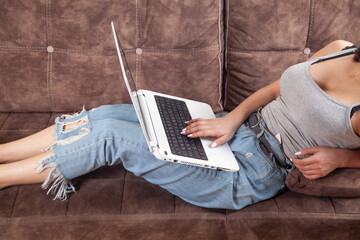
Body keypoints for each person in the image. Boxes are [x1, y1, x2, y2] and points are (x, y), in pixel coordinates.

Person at [0, 40, 359, 210]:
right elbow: (277, 87)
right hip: (235, 128)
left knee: (111, 138)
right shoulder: (341, 46)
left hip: (250, 172)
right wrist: (232, 119)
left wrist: (340, 159)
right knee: (110, 113)